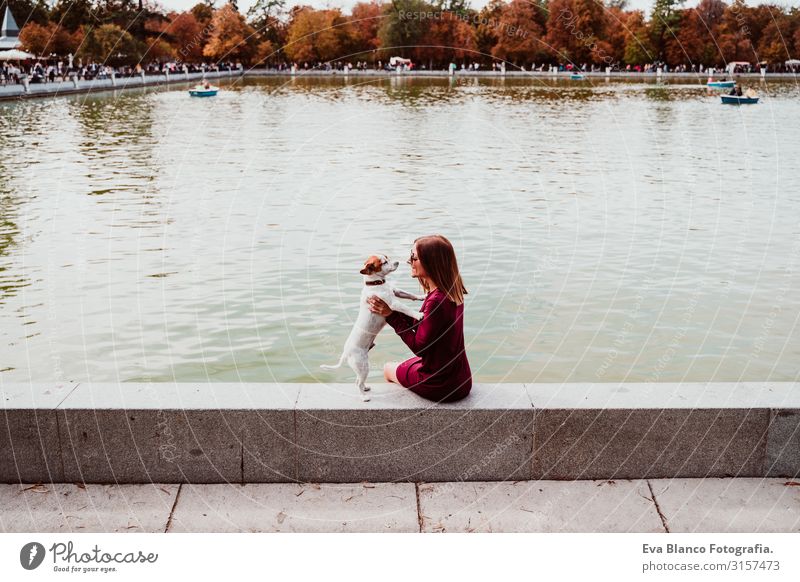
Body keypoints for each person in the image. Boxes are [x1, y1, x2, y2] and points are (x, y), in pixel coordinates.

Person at [367, 234, 472, 403]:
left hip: (440, 385)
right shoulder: (452, 291)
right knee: (406, 363)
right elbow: (427, 326)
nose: (409, 261)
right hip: (460, 378)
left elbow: (420, 347)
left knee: (388, 369)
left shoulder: (436, 301)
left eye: (414, 257)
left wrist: (391, 316)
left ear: (430, 262)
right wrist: (394, 311)